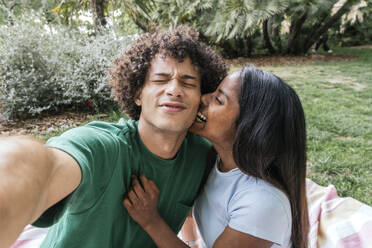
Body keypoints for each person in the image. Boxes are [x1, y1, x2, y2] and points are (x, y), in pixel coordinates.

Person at [0, 26, 227, 248]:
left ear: (201, 97)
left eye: (188, 83)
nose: (174, 90)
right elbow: (42, 166)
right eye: (160, 80)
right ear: (138, 94)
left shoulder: (203, 154)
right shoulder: (103, 147)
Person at [123, 66, 309, 248]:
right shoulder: (215, 160)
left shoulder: (261, 201)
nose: (204, 98)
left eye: (218, 100)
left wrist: (151, 221)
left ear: (248, 127)